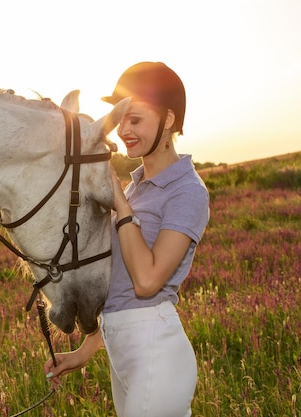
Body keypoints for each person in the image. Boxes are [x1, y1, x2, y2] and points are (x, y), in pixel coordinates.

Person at [44, 62, 210, 417]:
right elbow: (119, 285)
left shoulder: (187, 192)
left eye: (135, 119)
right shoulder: (136, 189)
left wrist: (118, 202)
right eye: (121, 121)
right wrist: (85, 351)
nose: (124, 131)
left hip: (156, 350)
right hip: (126, 351)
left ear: (167, 120)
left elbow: (148, 280)